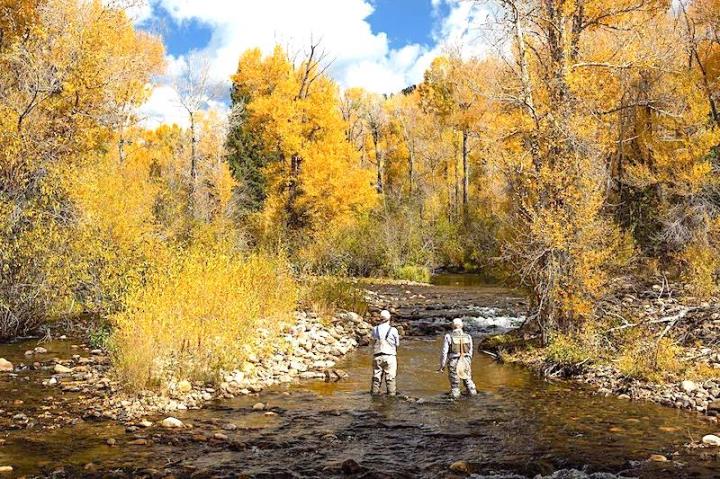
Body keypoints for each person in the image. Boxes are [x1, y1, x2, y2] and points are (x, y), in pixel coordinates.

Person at [438, 318, 477, 399]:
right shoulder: (468, 336)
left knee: (455, 385)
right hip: (466, 360)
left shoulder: (448, 336)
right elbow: (470, 352)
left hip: (454, 362)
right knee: (468, 381)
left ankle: (455, 405)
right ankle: (474, 399)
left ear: (452, 326)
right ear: (462, 326)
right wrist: (468, 362)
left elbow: (444, 352)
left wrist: (442, 365)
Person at [371, 309, 400, 396]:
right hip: (390, 357)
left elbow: (372, 342)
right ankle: (391, 397)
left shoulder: (375, 329)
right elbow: (397, 344)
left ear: (380, 318)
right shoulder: (393, 330)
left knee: (376, 378)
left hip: (377, 356)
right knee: (390, 378)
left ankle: (374, 397)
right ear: (389, 318)